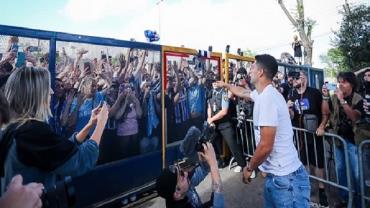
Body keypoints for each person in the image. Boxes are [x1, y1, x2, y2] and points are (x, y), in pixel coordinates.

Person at [215, 54, 310, 207]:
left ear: (260, 72)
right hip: (278, 178)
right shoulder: (262, 94)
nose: (249, 71)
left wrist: (249, 167)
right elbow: (243, 92)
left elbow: (266, 146)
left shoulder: (268, 99)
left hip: (287, 181)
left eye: (252, 67)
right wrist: (225, 85)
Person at [0, 66, 109, 193]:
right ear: (35, 95)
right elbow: (81, 160)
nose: (51, 92)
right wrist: (101, 123)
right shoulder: (32, 132)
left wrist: (90, 124)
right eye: (47, 87)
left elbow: (57, 153)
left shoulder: (14, 127)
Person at [287, 70, 329, 207]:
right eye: (293, 79)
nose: (294, 81)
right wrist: (289, 109)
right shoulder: (292, 94)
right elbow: (291, 117)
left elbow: (325, 113)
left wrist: (322, 126)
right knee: (303, 162)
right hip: (300, 136)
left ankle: (322, 191)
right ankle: (306, 189)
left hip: (315, 134)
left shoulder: (314, 93)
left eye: (297, 78)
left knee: (318, 163)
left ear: (304, 78)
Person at [322, 72, 363, 207]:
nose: (340, 84)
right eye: (339, 81)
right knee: (340, 170)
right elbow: (326, 112)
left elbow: (354, 117)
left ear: (351, 84)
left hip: (353, 142)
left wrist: (342, 101)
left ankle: (359, 202)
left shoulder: (358, 98)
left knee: (357, 174)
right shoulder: (334, 97)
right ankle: (345, 198)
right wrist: (325, 96)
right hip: (338, 140)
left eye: (344, 82)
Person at [156, 127, 224, 208]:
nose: (185, 173)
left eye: (180, 170)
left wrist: (204, 161)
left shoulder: (183, 189)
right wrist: (213, 164)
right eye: (181, 176)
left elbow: (203, 171)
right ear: (177, 194)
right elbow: (219, 206)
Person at [207, 80, 246, 172]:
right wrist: (209, 118)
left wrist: (211, 119)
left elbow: (224, 111)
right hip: (215, 124)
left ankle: (242, 165)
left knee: (233, 144)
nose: (214, 84)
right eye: (213, 82)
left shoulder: (224, 94)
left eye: (216, 82)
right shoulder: (210, 93)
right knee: (210, 143)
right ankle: (219, 162)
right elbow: (209, 107)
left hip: (225, 124)